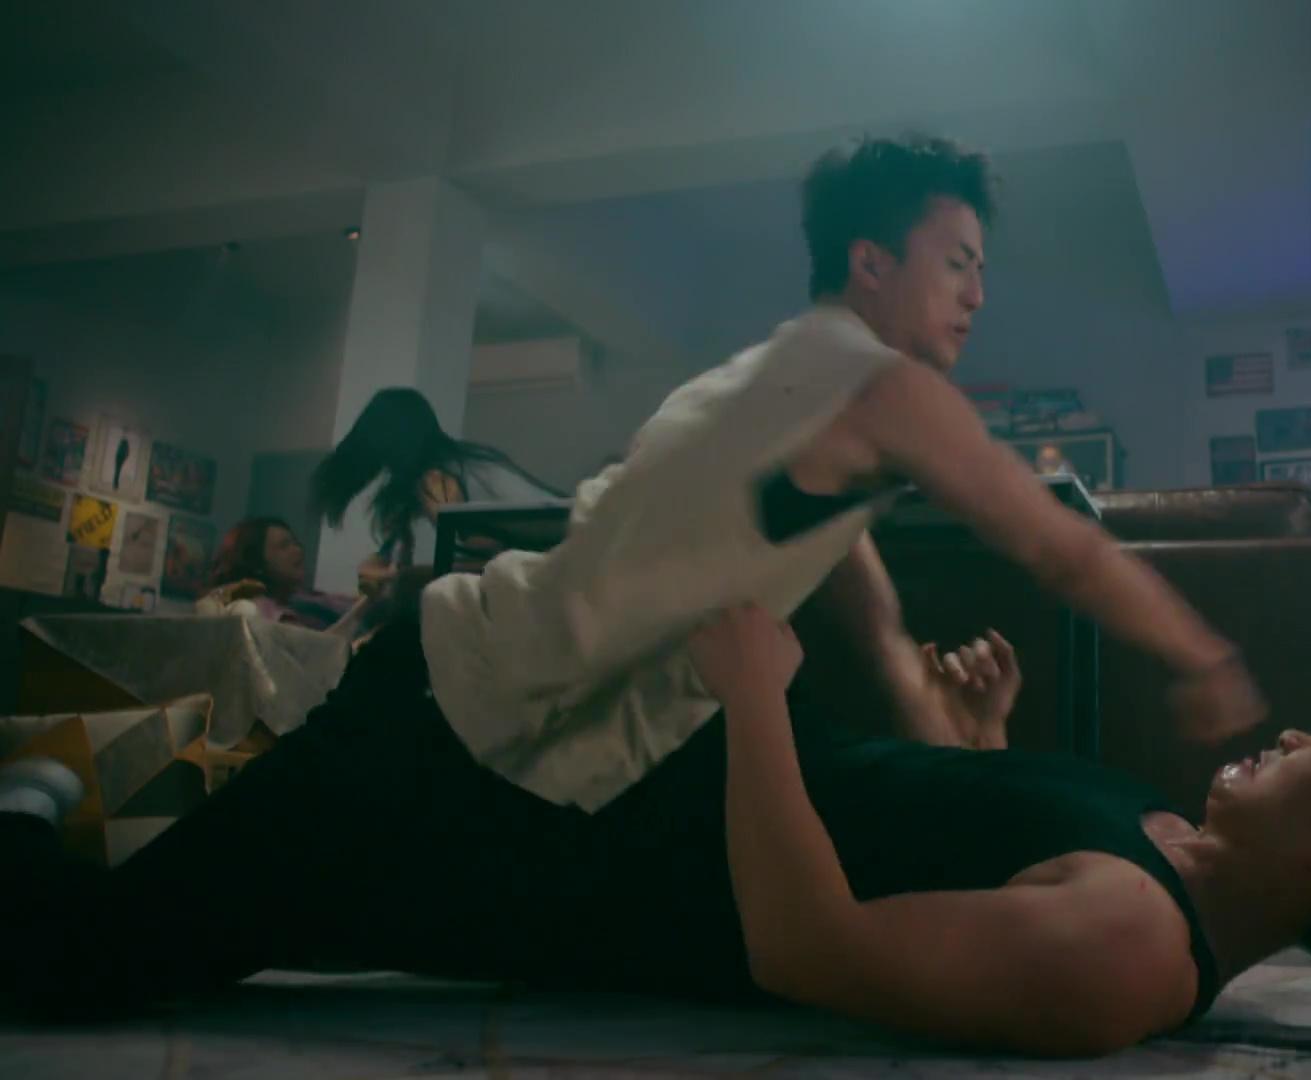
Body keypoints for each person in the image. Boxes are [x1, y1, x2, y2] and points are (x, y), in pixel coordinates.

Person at [0, 606, 1311, 1056]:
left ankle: (31, 829)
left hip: (573, 854)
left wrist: (748, 693)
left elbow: (811, 945)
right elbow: (959, 842)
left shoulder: (1127, 953)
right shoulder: (1166, 842)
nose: (1294, 738)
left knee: (91, 960)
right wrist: (979, 733)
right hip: (620, 772)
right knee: (384, 704)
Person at [420, 133, 1265, 813]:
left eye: (982, 269)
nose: (977, 295)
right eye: (956, 263)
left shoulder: (787, 378)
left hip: (475, 690)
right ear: (871, 263)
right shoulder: (882, 388)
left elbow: (865, 603)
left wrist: (946, 721)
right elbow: (1062, 550)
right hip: (459, 702)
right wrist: (1208, 659)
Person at [311, 386, 562, 576]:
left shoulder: (436, 479)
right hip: (564, 541)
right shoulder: (455, 463)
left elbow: (488, 552)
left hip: (564, 545)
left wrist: (407, 577)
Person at [195, 517, 368, 634]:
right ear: (257, 562)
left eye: (295, 543)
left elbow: (346, 604)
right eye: (284, 546)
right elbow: (318, 648)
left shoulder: (303, 598)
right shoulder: (257, 608)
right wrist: (368, 602)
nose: (298, 550)